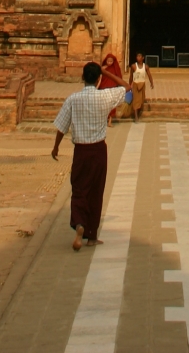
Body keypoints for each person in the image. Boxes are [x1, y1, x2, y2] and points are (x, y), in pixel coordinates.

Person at [52, 61, 127, 250]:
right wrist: (106, 73)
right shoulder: (105, 97)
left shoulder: (72, 99)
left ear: (82, 78)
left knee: (79, 190)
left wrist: (56, 148)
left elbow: (62, 127)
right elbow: (127, 88)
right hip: (99, 150)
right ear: (99, 79)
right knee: (96, 191)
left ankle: (79, 224)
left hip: (81, 151)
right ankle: (91, 236)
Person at [97, 52, 125, 125]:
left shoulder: (115, 68)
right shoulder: (103, 68)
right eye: (108, 61)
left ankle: (110, 121)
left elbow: (118, 77)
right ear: (106, 61)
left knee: (112, 106)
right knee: (103, 105)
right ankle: (104, 120)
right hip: (104, 87)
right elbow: (100, 78)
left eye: (111, 61)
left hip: (112, 88)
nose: (109, 63)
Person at [128, 53, 154, 121]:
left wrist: (152, 83)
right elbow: (131, 76)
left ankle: (138, 113)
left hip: (142, 84)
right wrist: (129, 85)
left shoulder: (145, 66)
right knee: (136, 100)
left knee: (141, 100)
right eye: (137, 56)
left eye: (139, 56)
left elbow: (149, 75)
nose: (138, 57)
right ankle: (136, 116)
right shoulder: (133, 66)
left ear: (143, 58)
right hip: (135, 84)